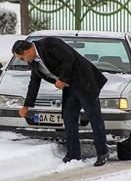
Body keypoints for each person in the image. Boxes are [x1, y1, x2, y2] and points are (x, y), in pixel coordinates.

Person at [11, 37, 109, 166]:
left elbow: (69, 59)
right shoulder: (33, 62)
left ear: (27, 52)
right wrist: (26, 106)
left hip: (85, 83)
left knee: (94, 117)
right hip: (69, 88)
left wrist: (62, 79)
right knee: (68, 119)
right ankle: (73, 155)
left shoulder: (49, 43)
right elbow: (34, 83)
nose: (22, 61)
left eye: (21, 58)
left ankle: (103, 152)